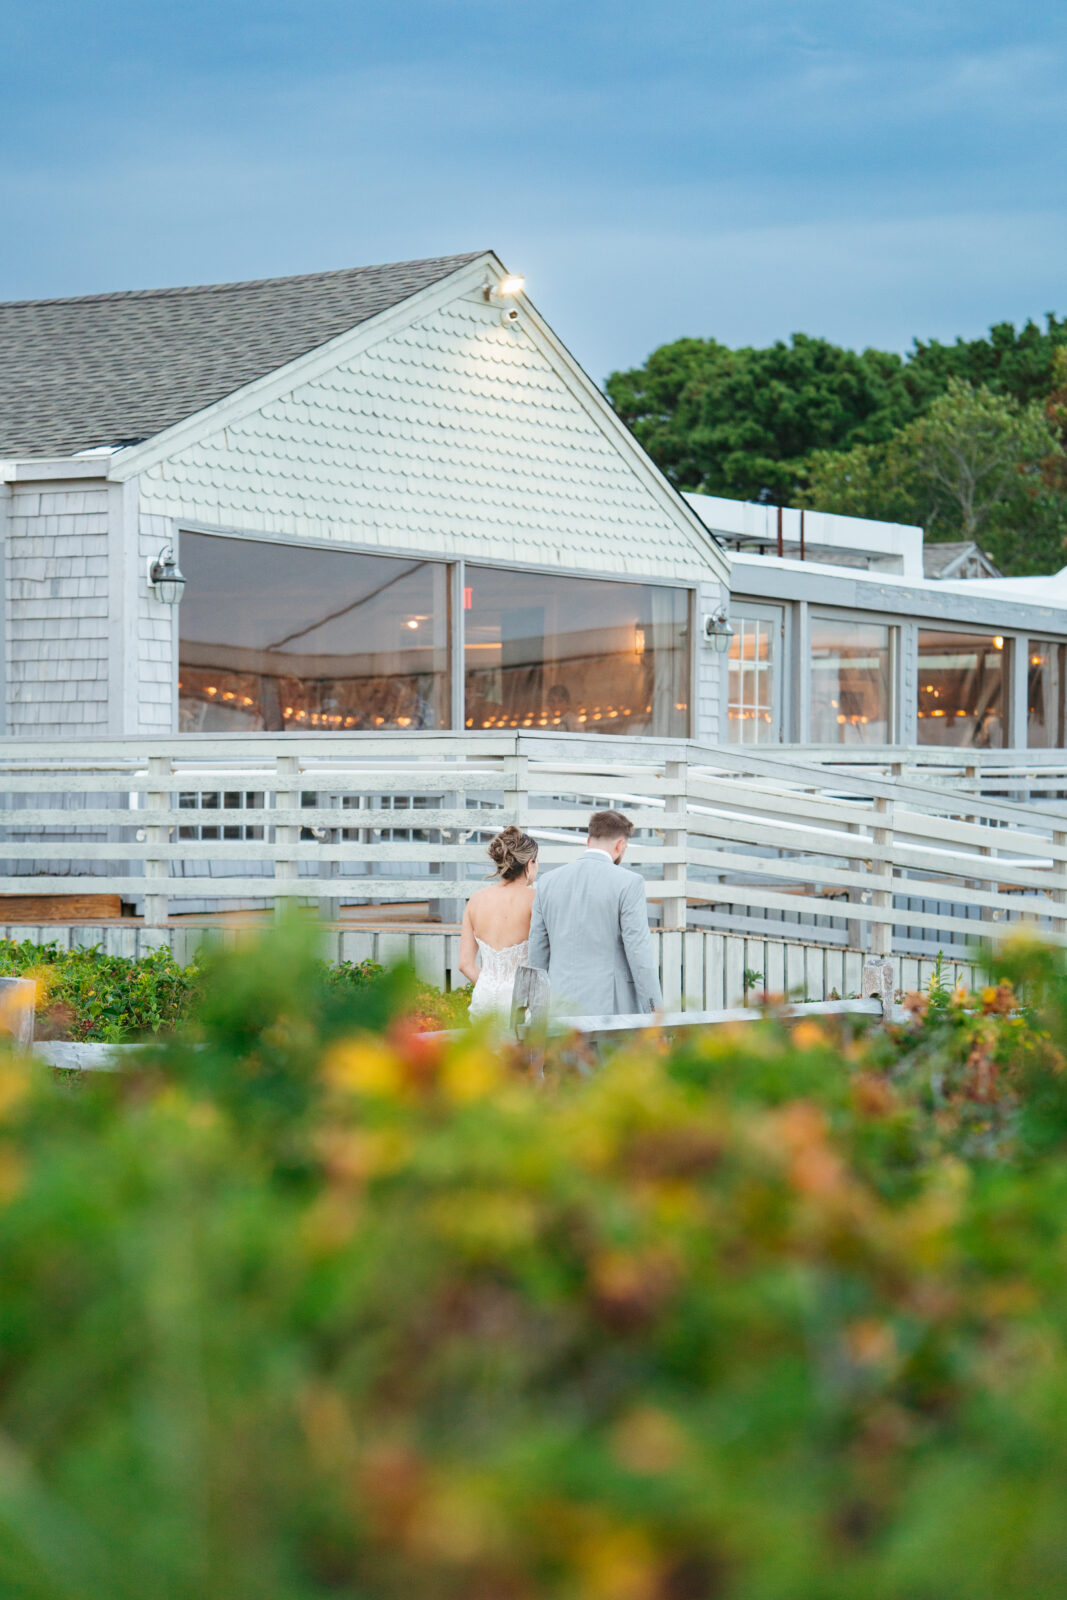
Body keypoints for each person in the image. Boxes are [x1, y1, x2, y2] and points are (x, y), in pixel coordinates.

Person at [527, 809, 662, 1019]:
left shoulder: (547, 882)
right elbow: (640, 955)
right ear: (620, 845)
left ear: (589, 840)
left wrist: (536, 1014)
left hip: (558, 1009)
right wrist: (655, 1013)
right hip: (611, 1011)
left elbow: (537, 954)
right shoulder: (629, 883)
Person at [459, 826, 539, 1024]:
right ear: (530, 864)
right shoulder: (535, 899)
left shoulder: (476, 900)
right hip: (519, 1001)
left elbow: (465, 964)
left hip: (483, 997)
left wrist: (489, 984)